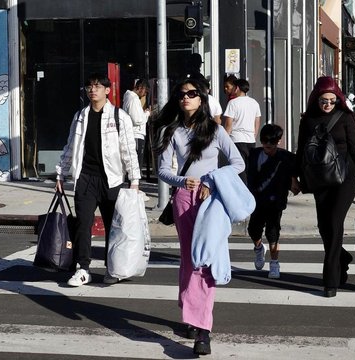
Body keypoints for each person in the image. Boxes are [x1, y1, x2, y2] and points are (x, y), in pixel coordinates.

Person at [154, 78, 244, 355]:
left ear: (202, 99)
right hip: (183, 200)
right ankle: (189, 310)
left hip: (211, 200)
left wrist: (211, 181)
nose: (186, 98)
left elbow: (238, 163)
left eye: (192, 94)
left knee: (203, 262)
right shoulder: (172, 131)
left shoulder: (215, 131)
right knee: (188, 259)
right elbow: (162, 170)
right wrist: (182, 181)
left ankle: (203, 330)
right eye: (182, 94)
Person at [293, 76, 355, 298]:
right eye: (323, 100)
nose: (327, 104)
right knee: (323, 226)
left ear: (338, 99)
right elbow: (301, 150)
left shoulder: (346, 117)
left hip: (345, 177)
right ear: (316, 99)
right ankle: (342, 257)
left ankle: (330, 280)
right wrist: (295, 177)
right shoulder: (308, 119)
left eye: (331, 100)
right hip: (320, 178)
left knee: (334, 222)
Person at [56, 73, 141, 287]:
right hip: (85, 178)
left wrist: (135, 179)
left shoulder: (119, 116)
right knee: (83, 225)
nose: (92, 90)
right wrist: (61, 173)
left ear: (107, 90)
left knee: (114, 226)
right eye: (89, 87)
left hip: (111, 180)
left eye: (97, 86)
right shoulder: (80, 116)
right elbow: (70, 147)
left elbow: (128, 150)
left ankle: (114, 267)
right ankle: (83, 268)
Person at [247, 124, 298, 279]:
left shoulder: (286, 157)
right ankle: (258, 248)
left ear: (279, 141)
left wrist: (294, 181)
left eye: (272, 143)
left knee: (273, 231)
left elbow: (296, 173)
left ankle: (274, 263)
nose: (267, 146)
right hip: (256, 199)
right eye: (264, 142)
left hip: (276, 199)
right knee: (253, 229)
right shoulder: (254, 154)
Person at [223, 78, 262, 184]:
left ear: (237, 88)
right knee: (249, 167)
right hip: (250, 139)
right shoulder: (254, 103)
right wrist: (254, 135)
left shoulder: (233, 103)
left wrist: (224, 139)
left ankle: (243, 190)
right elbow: (257, 121)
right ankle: (250, 189)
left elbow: (228, 124)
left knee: (239, 167)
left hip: (236, 139)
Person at [122, 78, 151, 201]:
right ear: (140, 88)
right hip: (136, 134)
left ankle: (134, 188)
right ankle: (134, 189)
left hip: (134, 134)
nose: (145, 94)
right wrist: (147, 114)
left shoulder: (129, 97)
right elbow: (137, 119)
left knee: (134, 163)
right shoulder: (133, 98)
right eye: (145, 91)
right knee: (136, 163)